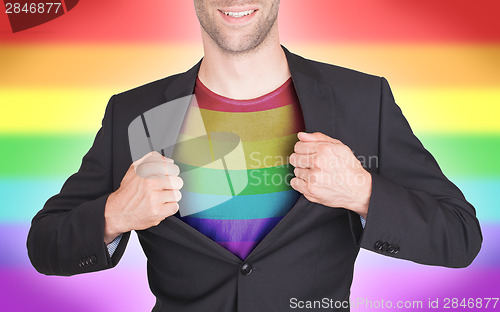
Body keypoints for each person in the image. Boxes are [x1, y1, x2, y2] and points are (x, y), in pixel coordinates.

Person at [27, 1, 482, 311]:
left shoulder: (362, 100)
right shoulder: (135, 112)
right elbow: (45, 245)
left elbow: (460, 236)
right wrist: (114, 214)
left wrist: (363, 192)